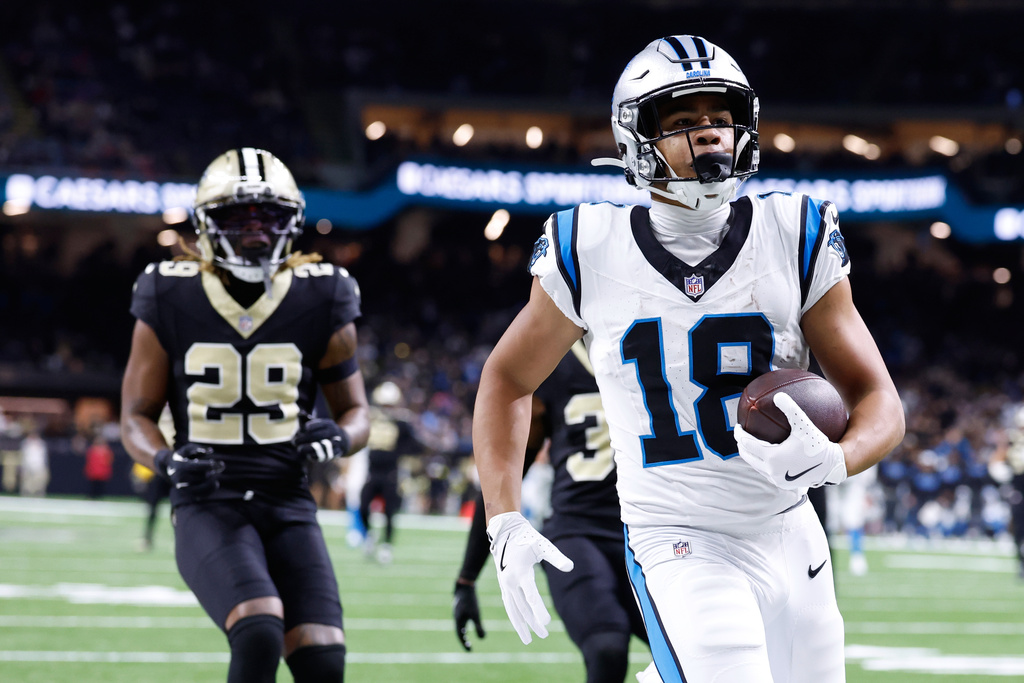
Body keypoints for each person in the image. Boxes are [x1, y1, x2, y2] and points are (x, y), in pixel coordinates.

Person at [472, 36, 905, 683]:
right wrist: (504, 517)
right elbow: (508, 378)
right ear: (635, 138)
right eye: (682, 122)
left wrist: (840, 456)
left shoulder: (795, 231)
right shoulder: (589, 243)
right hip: (680, 538)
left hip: (794, 534)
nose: (709, 135)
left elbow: (880, 399)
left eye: (720, 118)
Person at [120, 147, 369, 683]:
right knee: (258, 628)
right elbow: (135, 416)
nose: (256, 230)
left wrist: (340, 437)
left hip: (288, 502)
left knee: (324, 659)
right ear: (207, 224)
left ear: (293, 223)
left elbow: (357, 413)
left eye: (270, 216)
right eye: (238, 215)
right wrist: (165, 461)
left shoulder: (324, 293)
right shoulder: (168, 290)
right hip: (209, 502)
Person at [454, 341, 649, 683]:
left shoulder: (659, 343)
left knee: (705, 655)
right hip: (578, 533)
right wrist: (466, 578)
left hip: (657, 532)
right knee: (607, 646)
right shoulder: (555, 357)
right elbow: (502, 480)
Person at [358, 380, 423, 563]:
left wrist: (399, 454)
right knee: (363, 507)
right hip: (372, 472)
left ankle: (386, 545)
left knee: (390, 512)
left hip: (390, 474)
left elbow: (415, 445)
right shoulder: (371, 419)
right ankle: (370, 534)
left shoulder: (402, 423)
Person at [83, 435, 114, 499]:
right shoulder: (105, 450)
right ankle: (96, 496)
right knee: (96, 485)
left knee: (97, 485)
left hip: (97, 472)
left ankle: (96, 496)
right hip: (98, 472)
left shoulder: (93, 450)